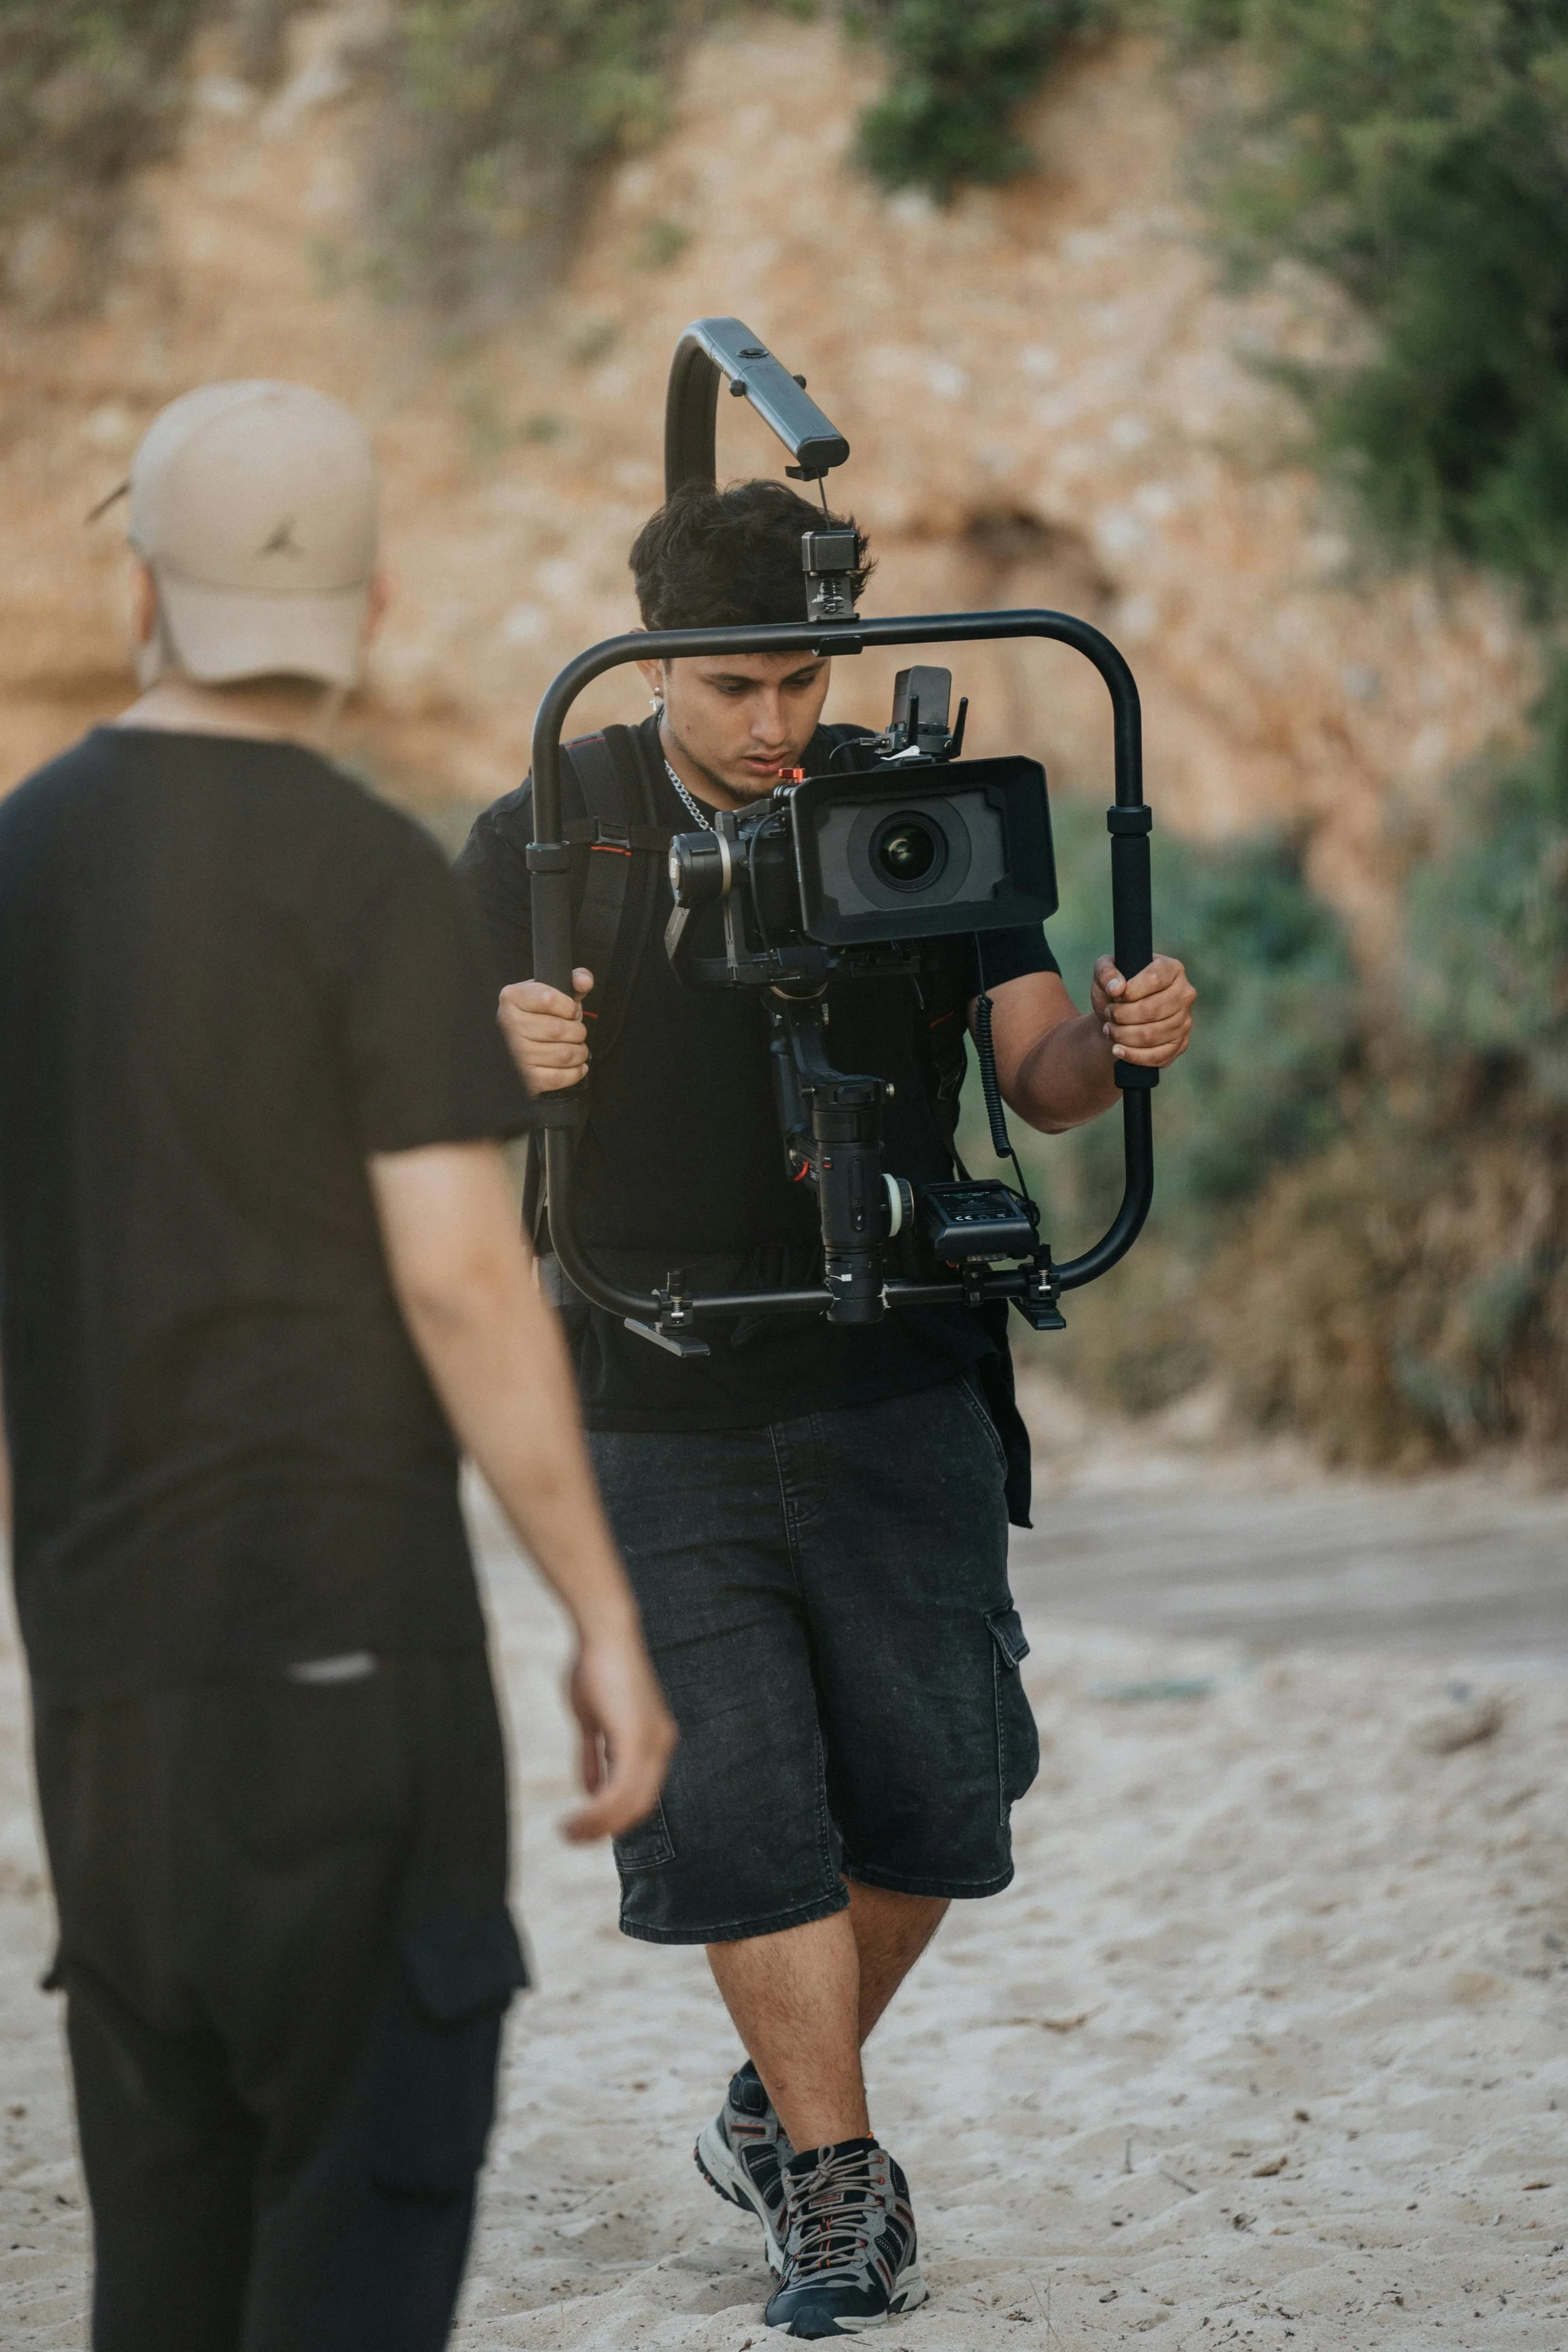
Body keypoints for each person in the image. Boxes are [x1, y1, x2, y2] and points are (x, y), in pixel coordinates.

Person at [458, 477, 1196, 2340]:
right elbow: (427, 1099)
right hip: (656, 1376)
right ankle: (834, 2178)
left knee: (941, 1786)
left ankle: (771, 2108)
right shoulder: (547, 828)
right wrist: (500, 1041)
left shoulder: (907, 799)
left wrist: (1109, 1044)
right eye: (737, 691)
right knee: (737, 1799)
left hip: (897, 1367)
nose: (779, 724)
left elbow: (1031, 1070)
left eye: (805, 681)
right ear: (655, 669)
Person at [0, 379, 675, 2352]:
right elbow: (466, 1285)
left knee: (168, 2263)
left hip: (110, 1688)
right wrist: (602, 1616)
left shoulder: (17, 864)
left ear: (145, 590)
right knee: (352, 2264)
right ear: (368, 607)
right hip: (352, 1673)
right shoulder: (373, 874)